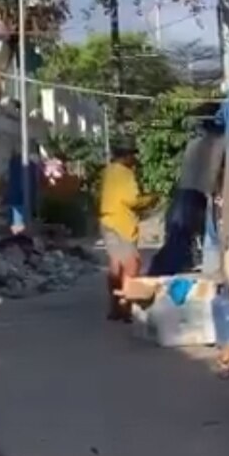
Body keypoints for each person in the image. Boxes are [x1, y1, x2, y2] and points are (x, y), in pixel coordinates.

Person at [99, 137, 155, 321]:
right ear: (126, 156)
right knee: (132, 265)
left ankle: (114, 306)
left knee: (116, 265)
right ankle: (125, 305)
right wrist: (151, 199)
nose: (134, 159)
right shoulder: (125, 174)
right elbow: (132, 200)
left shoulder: (108, 171)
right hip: (121, 224)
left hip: (107, 221)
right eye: (132, 155)